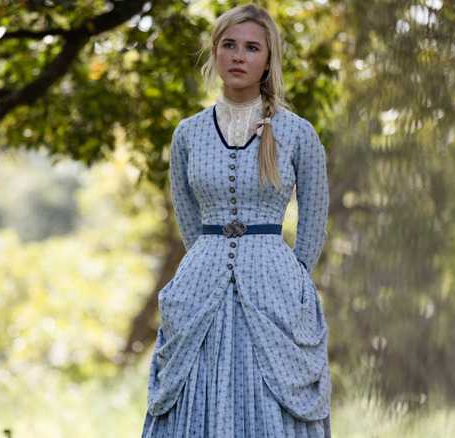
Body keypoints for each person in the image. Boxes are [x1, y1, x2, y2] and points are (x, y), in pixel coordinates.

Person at [142, 4, 331, 437]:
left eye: (251, 47)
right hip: (201, 283)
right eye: (229, 45)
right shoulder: (188, 132)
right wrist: (206, 263)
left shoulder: (298, 132)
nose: (239, 56)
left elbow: (315, 217)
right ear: (215, 52)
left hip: (275, 285)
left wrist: (294, 277)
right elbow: (188, 219)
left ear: (268, 58)